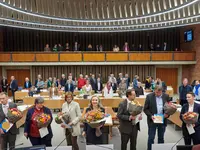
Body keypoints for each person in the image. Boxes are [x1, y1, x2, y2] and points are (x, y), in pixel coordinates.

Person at [144, 85, 170, 150]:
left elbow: (169, 108)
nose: (156, 94)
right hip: (153, 120)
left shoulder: (166, 96)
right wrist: (150, 116)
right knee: (151, 138)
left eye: (158, 93)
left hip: (162, 119)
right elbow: (145, 109)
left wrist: (167, 114)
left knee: (161, 138)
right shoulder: (149, 96)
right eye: (155, 92)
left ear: (161, 91)